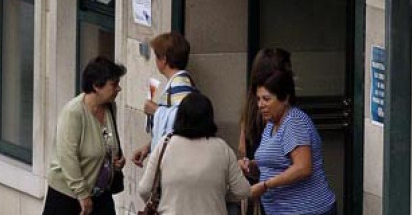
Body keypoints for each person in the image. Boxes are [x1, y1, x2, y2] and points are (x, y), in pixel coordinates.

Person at [241, 69, 336, 215]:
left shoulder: (294, 122)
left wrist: (266, 185)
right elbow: (274, 163)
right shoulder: (272, 123)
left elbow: (303, 168)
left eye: (266, 99)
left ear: (284, 98)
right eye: (258, 99)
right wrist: (250, 166)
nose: (260, 105)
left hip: (307, 210)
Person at [138, 92, 251, 214]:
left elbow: (144, 189)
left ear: (180, 116)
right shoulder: (222, 148)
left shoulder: (165, 145)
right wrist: (220, 191)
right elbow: (243, 191)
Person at [43, 57, 127, 215]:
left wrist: (114, 161)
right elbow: (67, 156)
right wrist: (82, 194)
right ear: (96, 86)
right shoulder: (73, 112)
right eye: (114, 84)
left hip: (100, 195)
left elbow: (105, 145)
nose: (118, 89)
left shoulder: (110, 108)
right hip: (68, 197)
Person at [238, 49, 291, 215]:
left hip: (258, 189)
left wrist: (249, 164)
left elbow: (242, 148)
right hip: (279, 194)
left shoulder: (252, 104)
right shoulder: (278, 110)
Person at [131, 32, 196, 167]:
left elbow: (185, 117)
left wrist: (156, 110)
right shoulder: (176, 82)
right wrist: (148, 147)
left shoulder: (180, 84)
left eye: (156, 56)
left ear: (164, 59)